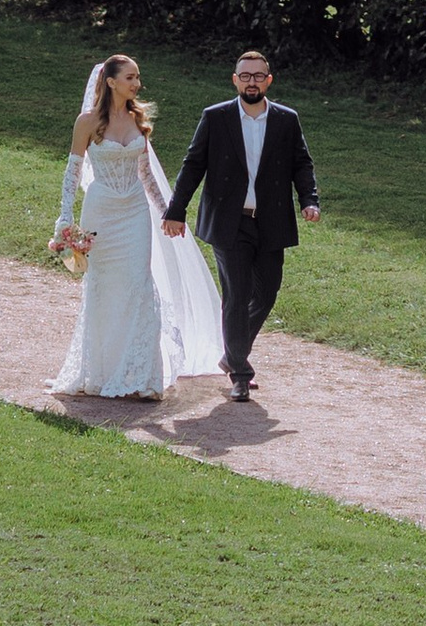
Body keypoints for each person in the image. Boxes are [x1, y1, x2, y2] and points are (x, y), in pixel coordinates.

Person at [46, 54, 223, 402]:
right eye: (130, 77)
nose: (136, 84)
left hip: (135, 213)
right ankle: (100, 370)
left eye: (138, 78)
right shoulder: (87, 122)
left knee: (139, 284)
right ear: (111, 81)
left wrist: (168, 212)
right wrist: (66, 219)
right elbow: (73, 173)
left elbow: (146, 176)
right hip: (102, 213)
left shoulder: (138, 120)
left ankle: (142, 375)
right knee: (103, 288)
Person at [162, 46, 320, 401]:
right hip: (229, 223)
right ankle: (240, 373)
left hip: (272, 221)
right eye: (245, 75)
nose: (252, 81)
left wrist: (309, 200)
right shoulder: (216, 118)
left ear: (269, 80)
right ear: (235, 80)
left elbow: (302, 163)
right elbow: (193, 164)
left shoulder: (285, 119)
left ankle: (231, 354)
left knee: (266, 292)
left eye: (258, 75)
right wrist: (176, 209)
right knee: (236, 296)